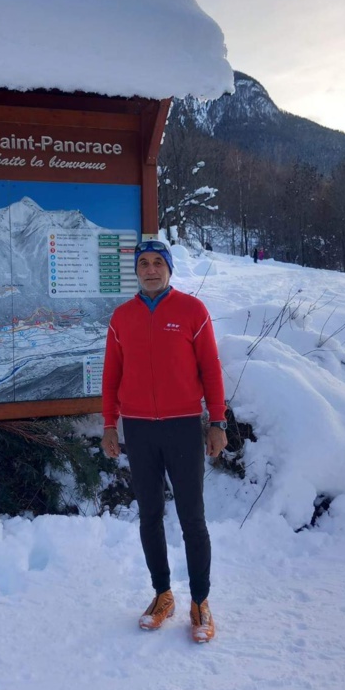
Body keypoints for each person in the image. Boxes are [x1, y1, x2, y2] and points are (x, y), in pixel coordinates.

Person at [101, 239, 227, 643]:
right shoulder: (122, 318)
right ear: (135, 271)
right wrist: (109, 425)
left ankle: (200, 602)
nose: (150, 269)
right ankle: (163, 595)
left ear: (169, 269)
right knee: (150, 515)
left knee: (192, 518)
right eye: (143, 263)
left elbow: (211, 368)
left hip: (184, 426)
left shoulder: (193, 311)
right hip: (139, 429)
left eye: (158, 262)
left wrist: (217, 421)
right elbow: (110, 376)